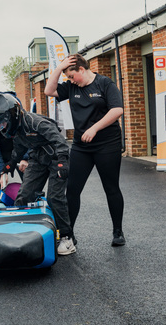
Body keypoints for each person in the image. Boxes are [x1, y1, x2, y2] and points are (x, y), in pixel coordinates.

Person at [45, 54, 126, 247]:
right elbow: (49, 91)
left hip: (107, 144)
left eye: (72, 76)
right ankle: (68, 233)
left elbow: (117, 110)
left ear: (82, 70)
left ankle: (118, 231)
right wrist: (59, 68)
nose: (71, 80)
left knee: (111, 187)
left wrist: (95, 128)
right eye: (68, 78)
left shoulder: (104, 83)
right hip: (82, 146)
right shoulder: (72, 87)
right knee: (72, 190)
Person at [0, 93, 75, 255]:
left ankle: (67, 237)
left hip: (57, 157)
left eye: (4, 122)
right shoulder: (17, 130)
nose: (3, 127)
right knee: (24, 197)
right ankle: (23, 235)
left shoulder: (36, 122)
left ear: (12, 115)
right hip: (38, 158)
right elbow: (18, 150)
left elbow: (59, 140)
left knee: (54, 198)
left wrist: (63, 162)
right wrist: (8, 167)